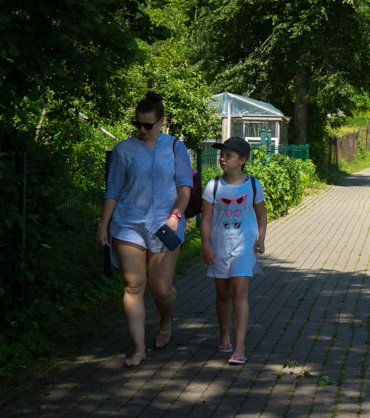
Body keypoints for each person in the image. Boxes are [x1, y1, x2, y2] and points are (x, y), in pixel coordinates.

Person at [96, 91, 193, 367]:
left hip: (166, 224)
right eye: (137, 124)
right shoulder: (123, 150)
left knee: (161, 289)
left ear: (161, 121)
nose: (141, 129)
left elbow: (185, 187)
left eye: (148, 125)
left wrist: (176, 216)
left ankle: (165, 319)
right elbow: (112, 191)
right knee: (134, 285)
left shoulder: (175, 147)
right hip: (128, 224)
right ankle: (138, 348)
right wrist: (104, 225)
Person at [199, 137, 267, 365]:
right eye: (222, 155)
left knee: (239, 292)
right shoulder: (213, 186)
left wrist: (261, 238)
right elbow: (206, 220)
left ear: (242, 160)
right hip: (219, 245)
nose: (222, 159)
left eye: (228, 155)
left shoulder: (254, 185)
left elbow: (261, 214)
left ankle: (239, 346)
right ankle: (224, 337)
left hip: (244, 244)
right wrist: (205, 246)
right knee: (222, 294)